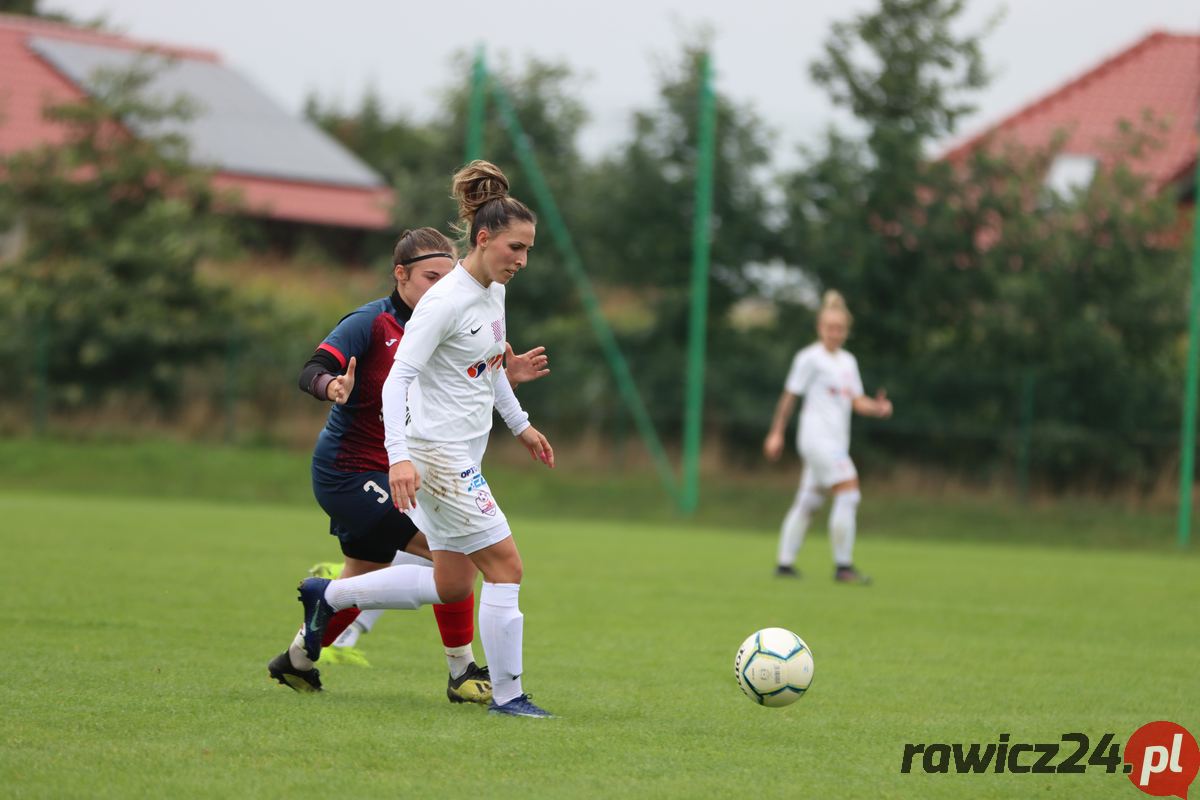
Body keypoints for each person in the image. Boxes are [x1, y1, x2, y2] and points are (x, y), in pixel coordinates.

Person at [295, 160, 556, 718]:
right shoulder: (445, 301)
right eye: (515, 247)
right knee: (507, 567)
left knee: (450, 583)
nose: (522, 260)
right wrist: (400, 459)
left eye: (529, 250)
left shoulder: (493, 294)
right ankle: (508, 697)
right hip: (437, 457)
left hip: (456, 452)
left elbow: (486, 370)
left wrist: (521, 424)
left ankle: (330, 596)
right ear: (483, 240)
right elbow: (398, 382)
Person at [763, 290, 892, 584]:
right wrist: (776, 433)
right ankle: (843, 567)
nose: (834, 333)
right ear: (820, 328)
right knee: (849, 492)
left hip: (835, 442)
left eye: (840, 329)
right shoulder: (809, 359)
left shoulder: (848, 362)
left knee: (809, 501)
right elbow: (789, 397)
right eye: (829, 328)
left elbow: (857, 401)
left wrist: (878, 407)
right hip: (815, 440)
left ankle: (784, 564)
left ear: (846, 331)